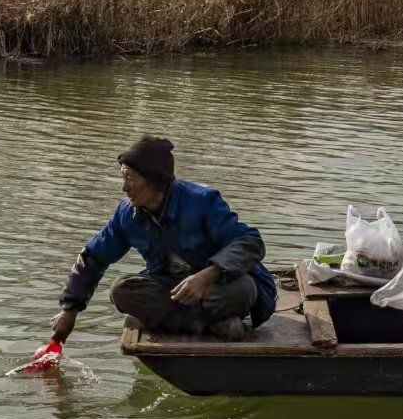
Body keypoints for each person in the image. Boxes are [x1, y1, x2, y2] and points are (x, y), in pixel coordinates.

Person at [48, 135, 276, 344]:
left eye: (130, 178)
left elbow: (251, 242)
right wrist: (70, 310)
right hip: (172, 289)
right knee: (121, 291)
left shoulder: (202, 202)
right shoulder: (127, 214)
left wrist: (208, 275)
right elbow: (94, 256)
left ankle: (172, 321)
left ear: (155, 180)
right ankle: (211, 325)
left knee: (244, 289)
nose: (124, 188)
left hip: (217, 288)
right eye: (122, 178)